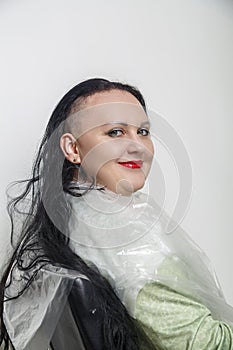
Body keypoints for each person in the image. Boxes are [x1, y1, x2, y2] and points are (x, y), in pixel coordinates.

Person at [0, 78, 233, 350]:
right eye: (115, 132)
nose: (139, 146)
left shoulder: (66, 223)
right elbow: (208, 345)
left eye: (143, 132)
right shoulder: (129, 242)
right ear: (73, 149)